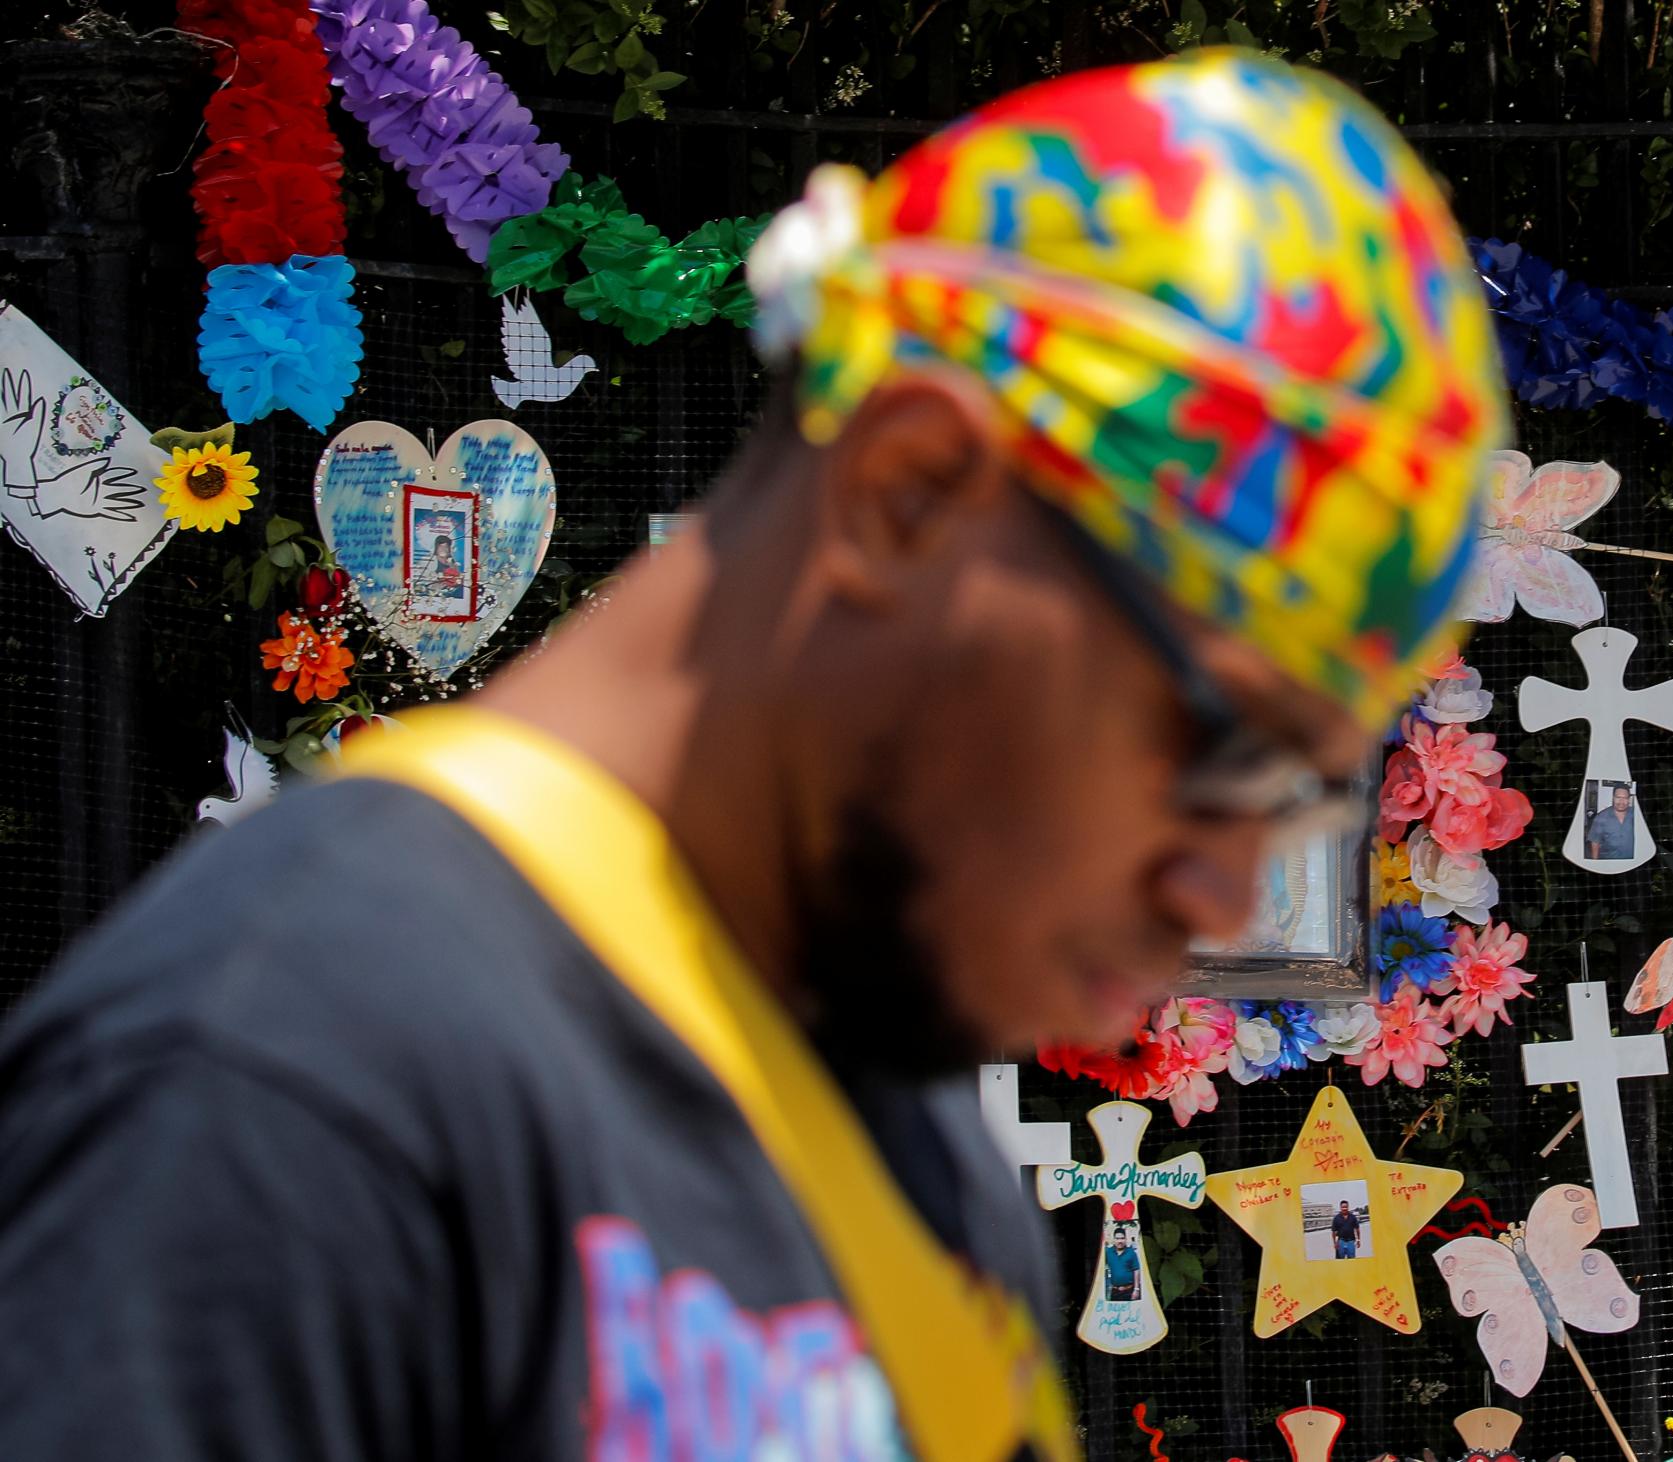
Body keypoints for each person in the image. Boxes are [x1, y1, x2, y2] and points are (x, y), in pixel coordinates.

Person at [0, 50, 1505, 1462]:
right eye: (1219, 744)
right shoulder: (283, 1091)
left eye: (1301, 789)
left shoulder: (911, 1140)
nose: (1223, 883)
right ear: (909, 494)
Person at [1585, 782, 1636, 860]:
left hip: (1632, 863)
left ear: (1629, 799)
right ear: (1613, 798)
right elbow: (1595, 843)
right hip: (1609, 864)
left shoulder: (1636, 815)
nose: (1621, 802)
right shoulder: (1601, 817)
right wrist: (1595, 864)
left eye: (1625, 798)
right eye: (1618, 797)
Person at [1103, 1214, 1143, 1303]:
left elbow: (1136, 1270)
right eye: (1117, 1238)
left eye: (1122, 1238)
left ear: (1125, 1239)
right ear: (1114, 1239)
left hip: (1129, 1291)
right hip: (1115, 1291)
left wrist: (1136, 1289)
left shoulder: (1131, 1253)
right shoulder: (1108, 1252)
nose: (1120, 1241)